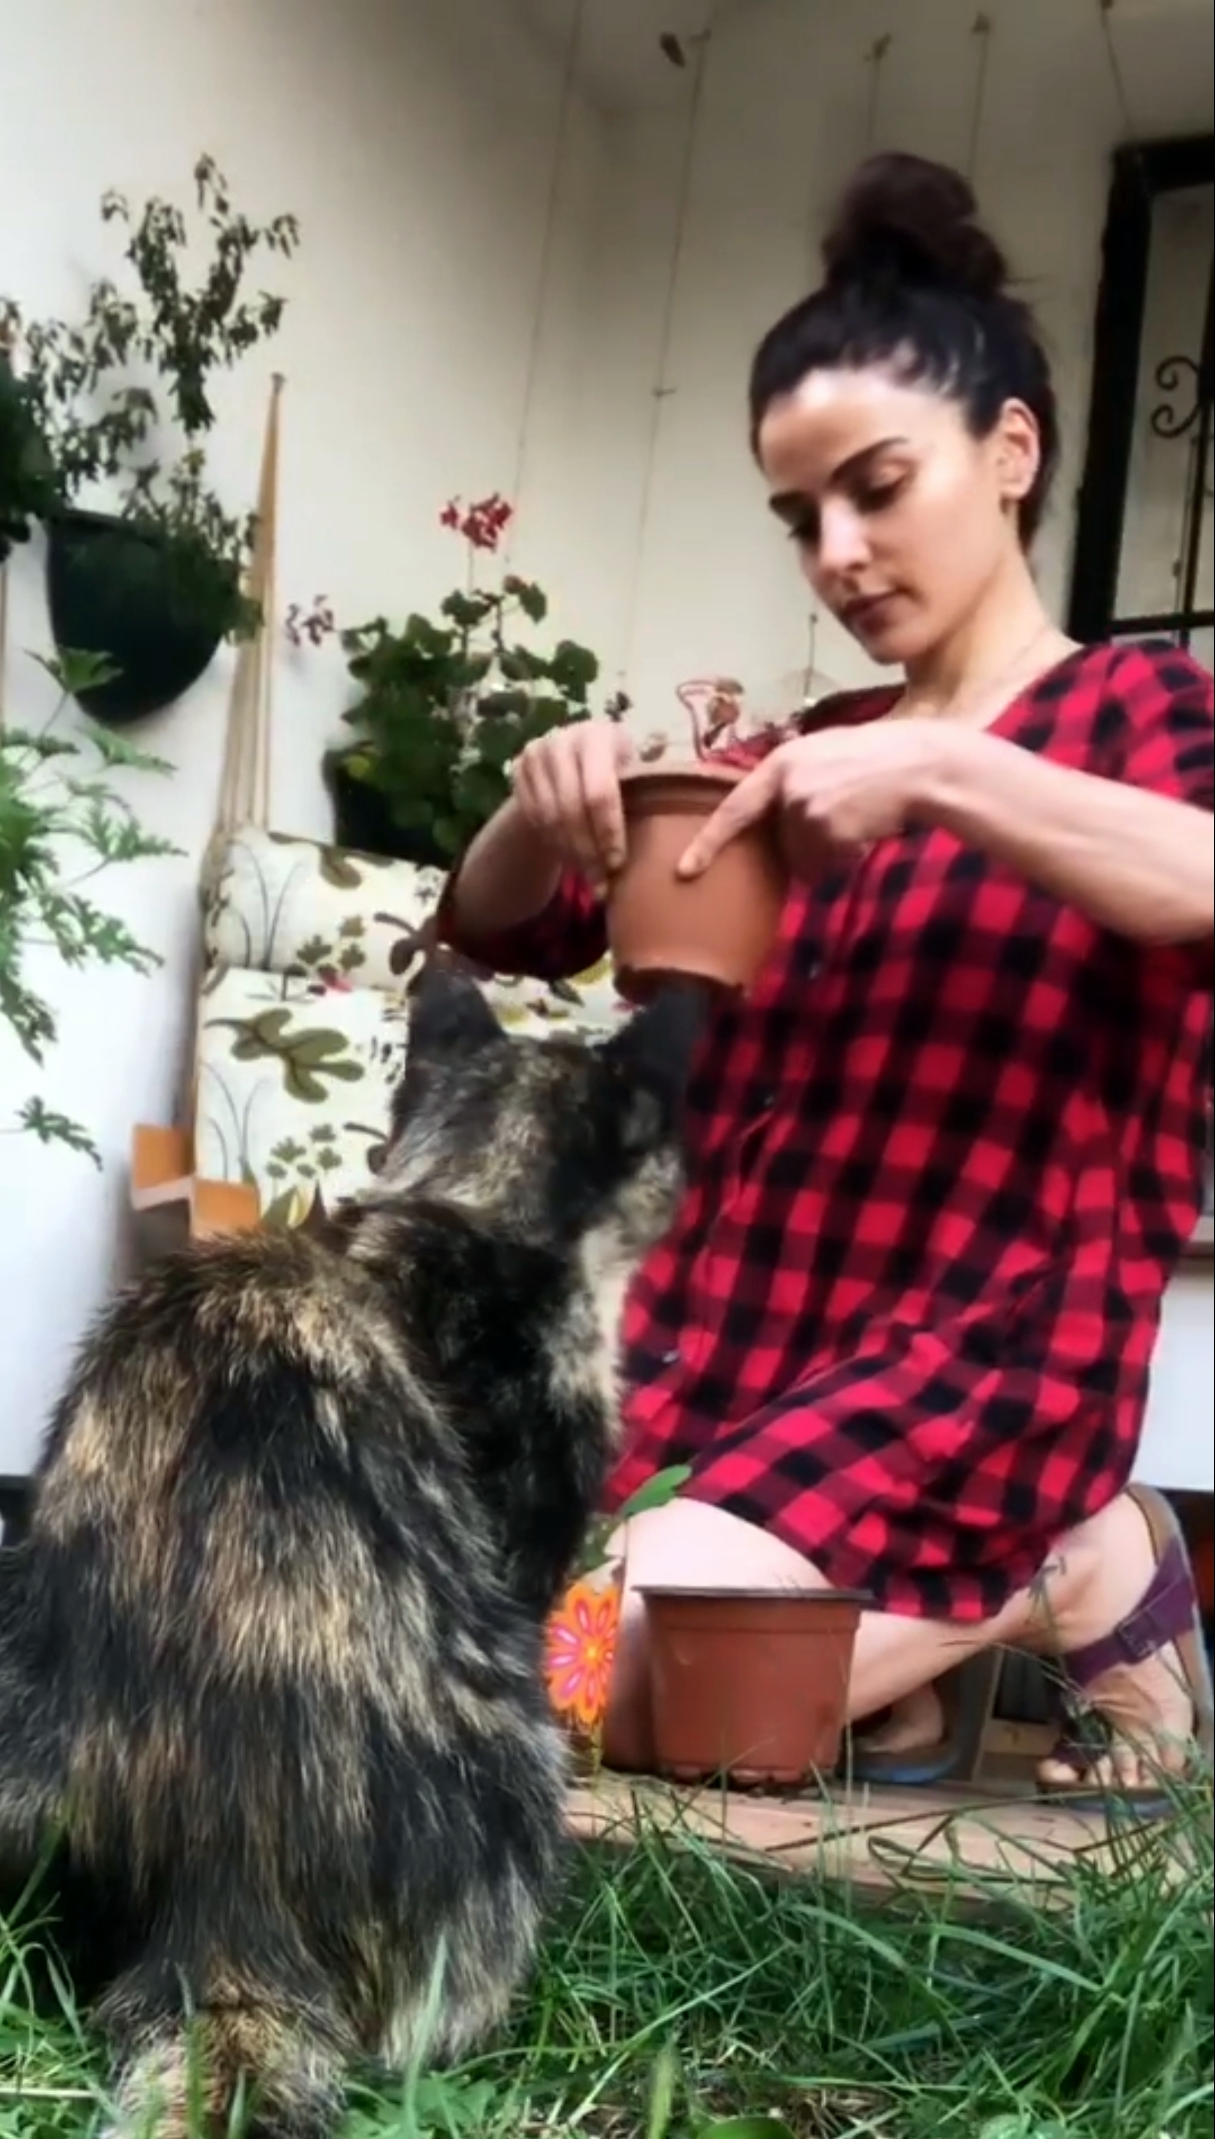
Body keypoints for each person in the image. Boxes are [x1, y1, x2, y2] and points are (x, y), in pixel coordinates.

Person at [434, 151, 1215, 1801]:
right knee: (451, 1628)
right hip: (729, 1344)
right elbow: (503, 925)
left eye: (878, 487)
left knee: (583, 1677)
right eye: (802, 519)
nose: (840, 553)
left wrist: (945, 774)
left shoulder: (1139, 713)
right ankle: (887, 1668)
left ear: (1011, 453)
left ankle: (1062, 1563)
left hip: (985, 1350)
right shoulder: (794, 759)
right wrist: (535, 805)